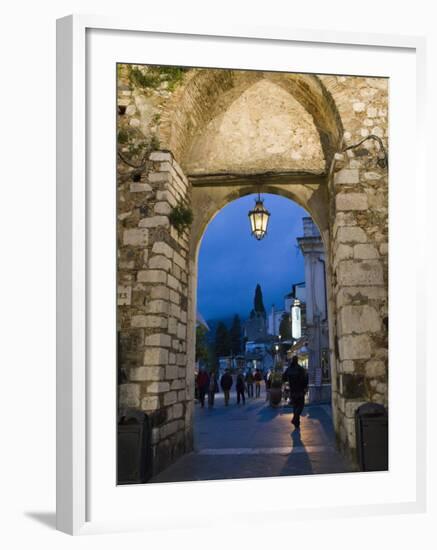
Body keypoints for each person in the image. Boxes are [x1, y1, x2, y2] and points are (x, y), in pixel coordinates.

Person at [285, 356, 309, 428]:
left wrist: (289, 381)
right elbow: (305, 379)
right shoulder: (301, 369)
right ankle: (295, 418)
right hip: (300, 391)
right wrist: (305, 387)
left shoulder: (289, 369)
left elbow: (283, 377)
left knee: (295, 406)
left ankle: (296, 422)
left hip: (292, 391)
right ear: (297, 360)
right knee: (301, 405)